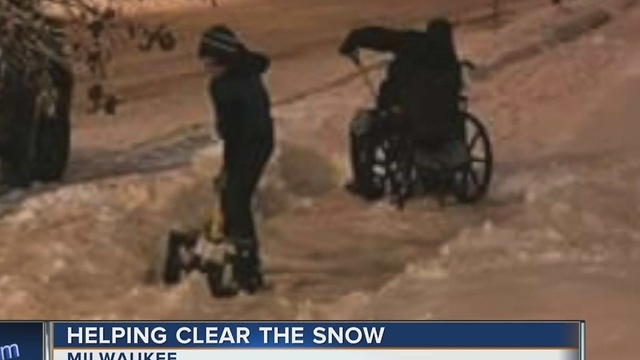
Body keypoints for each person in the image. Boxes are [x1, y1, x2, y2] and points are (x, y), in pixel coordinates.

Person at [338, 18, 463, 199]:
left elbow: (383, 38)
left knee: (359, 127)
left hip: (405, 119)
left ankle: (365, 184)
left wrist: (355, 37)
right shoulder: (452, 64)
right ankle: (441, 177)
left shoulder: (415, 43)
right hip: (443, 125)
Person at [197, 25, 274, 294]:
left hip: (252, 143)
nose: (206, 67)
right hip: (256, 141)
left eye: (210, 62)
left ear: (223, 59)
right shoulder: (243, 72)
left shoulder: (229, 85)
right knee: (232, 195)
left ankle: (246, 264)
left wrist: (229, 165)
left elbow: (234, 131)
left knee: (236, 197)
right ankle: (232, 247)